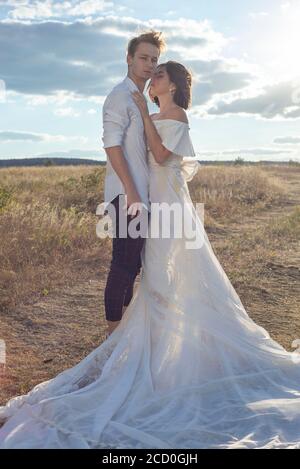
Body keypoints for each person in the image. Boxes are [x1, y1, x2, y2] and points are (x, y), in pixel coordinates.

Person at [1, 60, 300, 450]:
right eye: (151, 71)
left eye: (160, 74)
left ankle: (169, 363)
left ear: (173, 85)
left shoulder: (175, 114)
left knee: (167, 277)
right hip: (152, 205)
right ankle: (161, 357)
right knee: (155, 278)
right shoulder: (157, 111)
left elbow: (160, 157)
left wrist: (142, 112)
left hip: (170, 208)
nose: (152, 78)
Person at [102, 30, 165, 337]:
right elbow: (111, 146)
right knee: (123, 265)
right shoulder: (119, 96)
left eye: (154, 59)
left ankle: (123, 335)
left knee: (133, 266)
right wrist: (130, 191)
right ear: (128, 59)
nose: (149, 65)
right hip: (126, 194)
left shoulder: (140, 101)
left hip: (139, 194)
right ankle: (112, 338)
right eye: (143, 58)